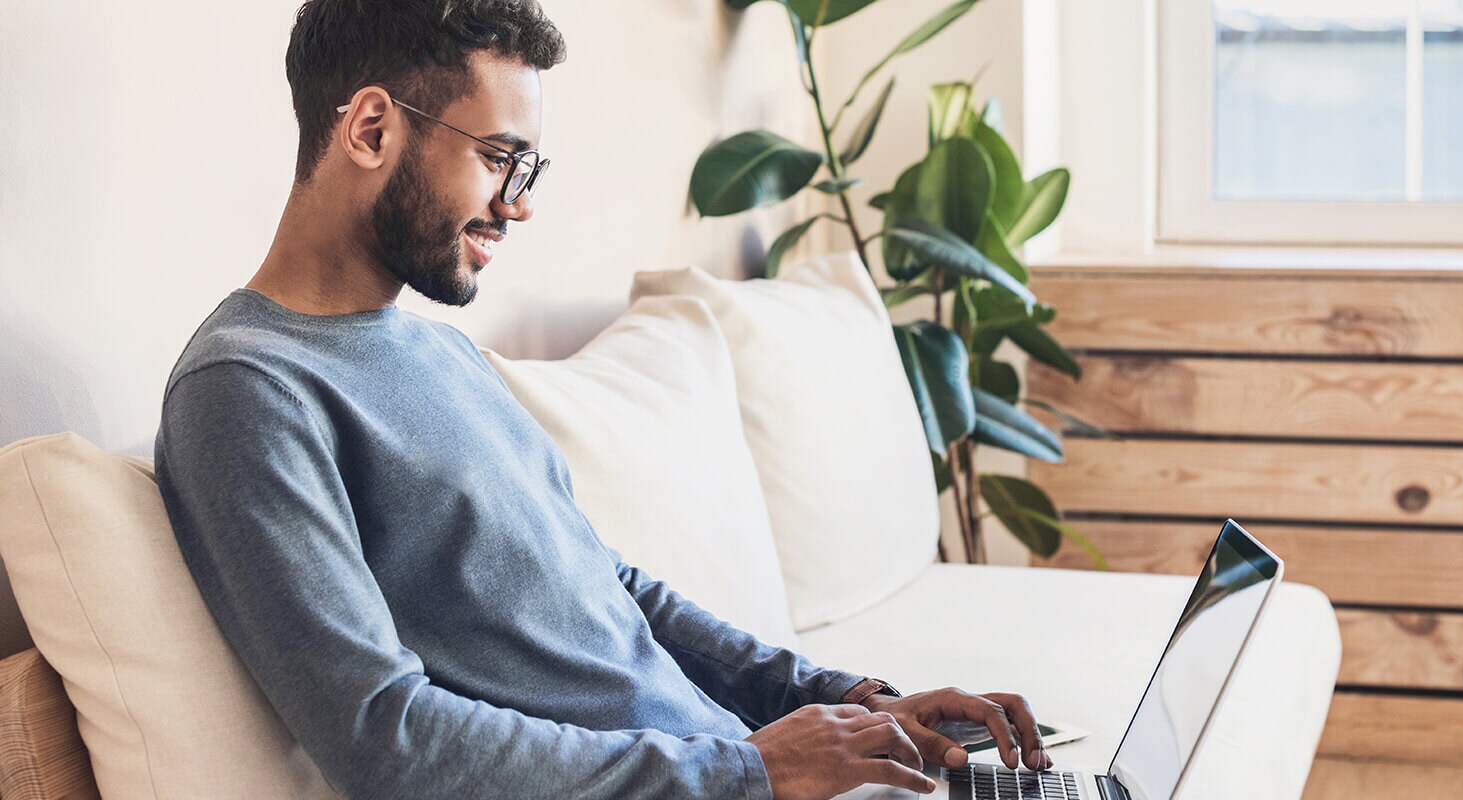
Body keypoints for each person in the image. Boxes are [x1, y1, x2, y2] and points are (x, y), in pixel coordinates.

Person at [153, 2, 1052, 798]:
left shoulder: (442, 354)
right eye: (498, 157)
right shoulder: (246, 391)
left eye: (527, 167)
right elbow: (385, 739)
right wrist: (751, 772)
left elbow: (609, 590)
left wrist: (844, 700)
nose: (519, 204)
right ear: (373, 131)